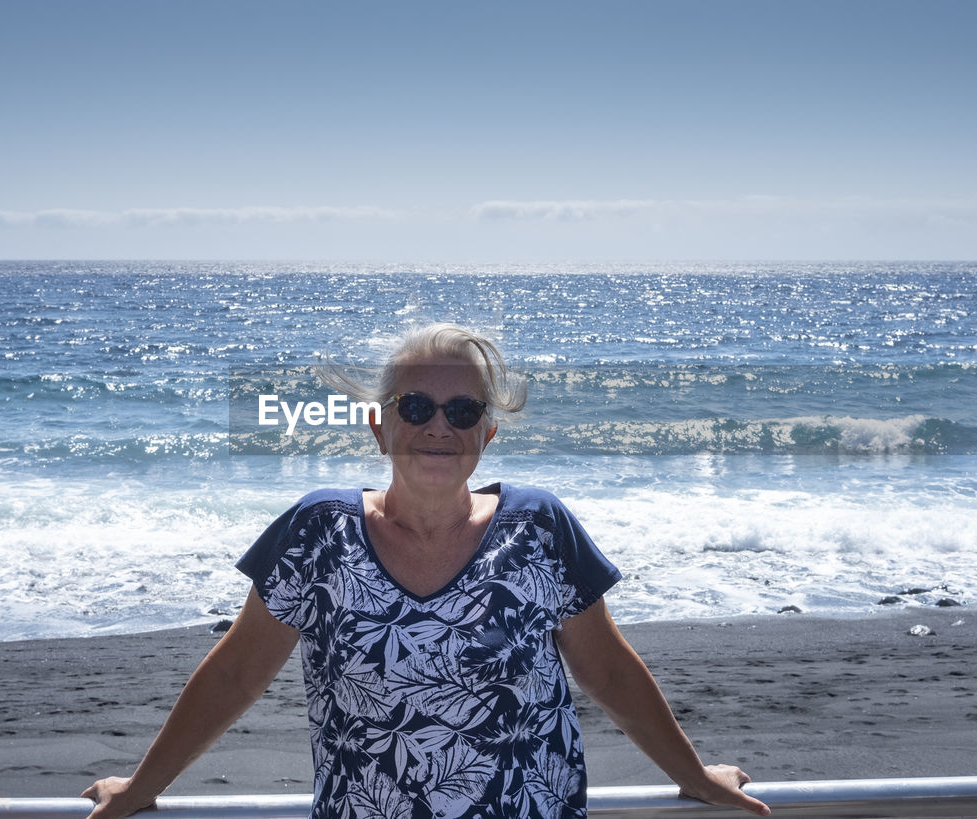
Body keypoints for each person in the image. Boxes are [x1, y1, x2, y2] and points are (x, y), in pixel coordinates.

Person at [84, 323, 769, 818]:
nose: (438, 426)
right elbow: (236, 673)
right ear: (380, 426)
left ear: (486, 433)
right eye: (416, 407)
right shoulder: (320, 531)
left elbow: (610, 672)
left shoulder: (538, 527)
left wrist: (694, 775)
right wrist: (142, 788)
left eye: (463, 410)